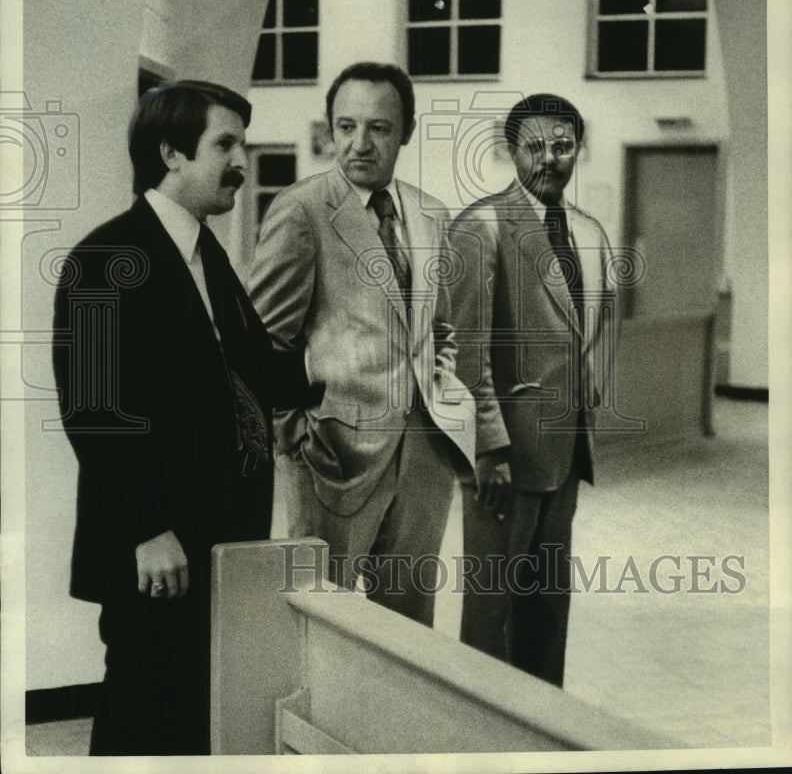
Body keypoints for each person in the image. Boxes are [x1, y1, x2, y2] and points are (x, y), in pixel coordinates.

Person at [52, 80, 307, 755]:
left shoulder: (207, 257)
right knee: (141, 717)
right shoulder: (107, 258)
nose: (241, 161)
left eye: (242, 144)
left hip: (216, 539)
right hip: (158, 550)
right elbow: (94, 410)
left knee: (194, 718)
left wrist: (334, 373)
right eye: (225, 144)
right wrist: (147, 528)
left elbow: (246, 373)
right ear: (171, 153)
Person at [247, 61, 504, 626]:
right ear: (330, 129)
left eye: (379, 129)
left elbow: (441, 330)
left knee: (408, 628)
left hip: (424, 457)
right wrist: (297, 435)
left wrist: (450, 402)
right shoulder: (302, 210)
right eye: (346, 126)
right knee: (323, 621)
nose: (359, 144)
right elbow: (260, 344)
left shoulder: (431, 214)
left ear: (406, 131)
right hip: (333, 459)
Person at [448, 93, 618, 687]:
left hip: (564, 451)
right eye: (535, 146)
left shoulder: (590, 234)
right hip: (504, 460)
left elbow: (586, 336)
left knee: (548, 606)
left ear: (578, 149)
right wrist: (488, 447)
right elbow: (464, 351)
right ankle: (482, 732)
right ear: (511, 150)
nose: (550, 158)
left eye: (563, 145)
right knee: (491, 613)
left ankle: (541, 727)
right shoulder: (482, 226)